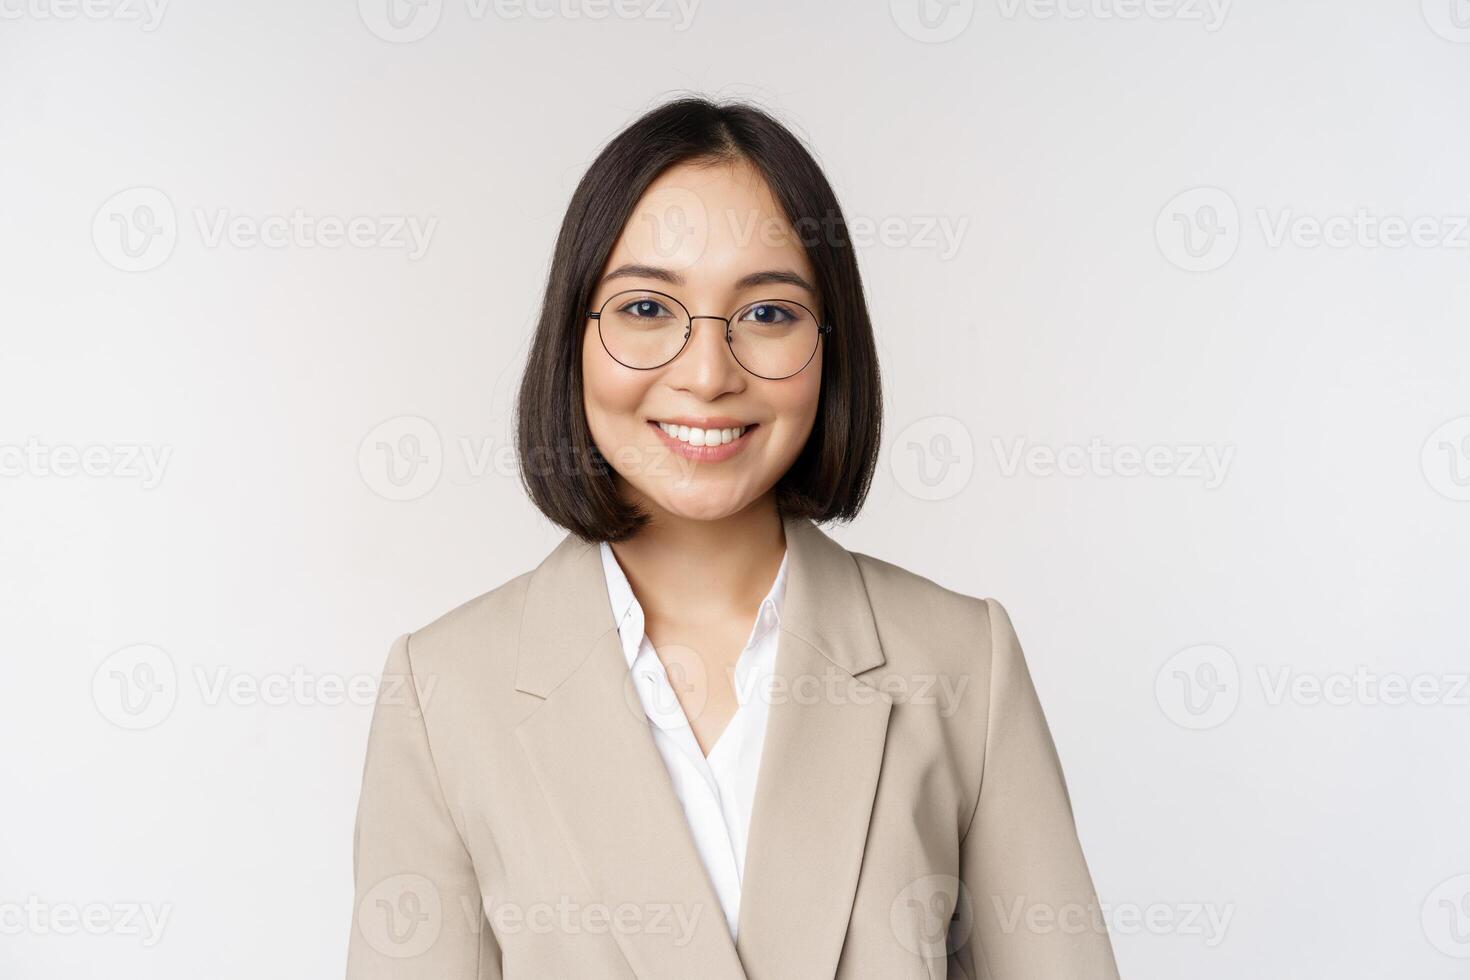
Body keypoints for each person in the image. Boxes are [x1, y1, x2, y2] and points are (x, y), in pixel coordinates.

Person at [346, 95, 1120, 979]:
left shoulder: (961, 663)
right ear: (574, 337)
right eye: (645, 308)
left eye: (766, 314)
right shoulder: (445, 690)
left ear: (831, 347)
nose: (708, 375)